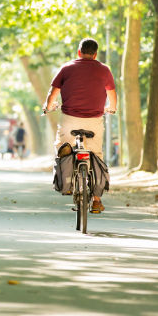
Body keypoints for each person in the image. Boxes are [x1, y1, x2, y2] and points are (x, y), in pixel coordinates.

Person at [43, 38, 117, 214]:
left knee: (62, 148)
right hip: (94, 121)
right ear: (95, 54)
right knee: (96, 155)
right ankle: (97, 200)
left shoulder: (67, 68)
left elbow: (53, 92)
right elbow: (112, 94)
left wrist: (47, 106)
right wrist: (112, 109)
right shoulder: (104, 70)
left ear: (79, 52)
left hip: (70, 119)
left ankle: (67, 184)